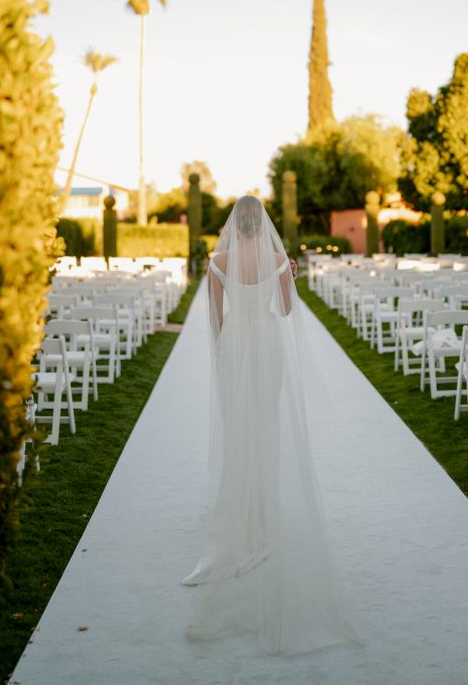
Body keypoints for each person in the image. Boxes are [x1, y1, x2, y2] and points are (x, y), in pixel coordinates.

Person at [181, 195, 361, 655]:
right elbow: (284, 312)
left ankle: (243, 508)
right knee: (266, 425)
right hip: (265, 346)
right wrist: (289, 278)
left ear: (231, 226)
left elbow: (215, 320)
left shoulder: (216, 260)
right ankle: (262, 512)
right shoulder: (279, 259)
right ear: (261, 224)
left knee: (237, 427)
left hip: (236, 346)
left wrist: (225, 356)